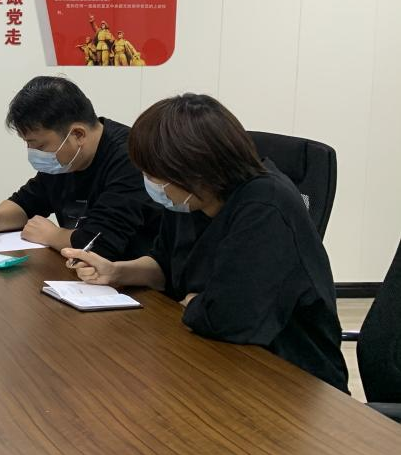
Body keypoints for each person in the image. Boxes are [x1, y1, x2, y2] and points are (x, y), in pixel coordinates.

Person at [62, 94, 348, 391]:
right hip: (218, 357)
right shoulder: (189, 199)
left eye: (153, 175)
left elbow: (227, 318)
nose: (150, 184)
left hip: (288, 377)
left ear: (193, 171)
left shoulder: (265, 207)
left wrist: (197, 304)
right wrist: (117, 272)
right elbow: (165, 266)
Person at [0, 76, 160, 262]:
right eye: (28, 144)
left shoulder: (131, 158)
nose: (33, 153)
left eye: (40, 146)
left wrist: (53, 235)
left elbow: (99, 244)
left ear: (78, 134)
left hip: (130, 279)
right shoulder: (66, 160)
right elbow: (25, 203)